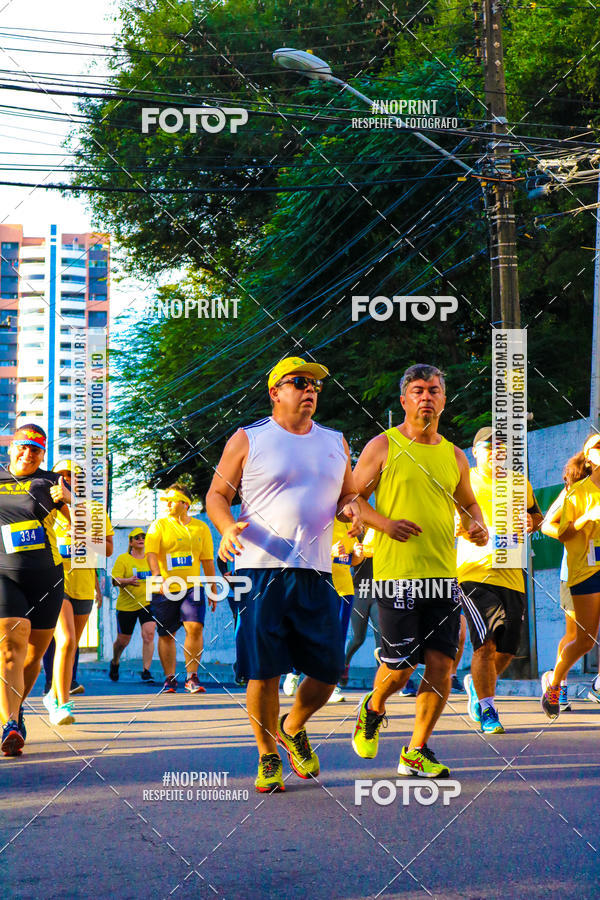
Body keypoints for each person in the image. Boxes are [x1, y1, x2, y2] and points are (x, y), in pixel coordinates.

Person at [206, 356, 364, 793]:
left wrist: (352, 511)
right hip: (259, 569)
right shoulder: (249, 439)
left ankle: (292, 725)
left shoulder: (335, 441)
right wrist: (225, 527)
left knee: (329, 667)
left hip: (316, 569)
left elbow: (348, 493)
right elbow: (217, 493)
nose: (310, 389)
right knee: (264, 669)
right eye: (299, 382)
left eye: (315, 383)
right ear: (275, 392)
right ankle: (268, 755)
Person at [351, 364, 488, 778]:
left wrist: (476, 524)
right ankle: (373, 707)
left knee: (443, 665)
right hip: (396, 575)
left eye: (434, 390)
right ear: (404, 400)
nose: (426, 396)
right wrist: (385, 525)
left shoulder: (454, 455)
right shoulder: (383, 446)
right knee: (400, 667)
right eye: (418, 390)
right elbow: (351, 499)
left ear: (444, 399)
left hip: (443, 576)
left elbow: (468, 503)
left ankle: (416, 749)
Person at [458, 427, 543, 733]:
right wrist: (460, 525)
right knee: (485, 643)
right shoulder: (464, 479)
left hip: (512, 572)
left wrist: (531, 522)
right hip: (474, 571)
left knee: (507, 648)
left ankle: (476, 687)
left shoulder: (520, 482)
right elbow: (447, 517)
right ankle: (488, 707)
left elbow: (537, 516)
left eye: (501, 447)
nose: (496, 451)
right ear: (475, 451)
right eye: (489, 447)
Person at [0, 424, 70, 755]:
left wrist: (70, 501)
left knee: (34, 656)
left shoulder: (52, 482)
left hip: (47, 577)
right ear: (11, 448)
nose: (28, 454)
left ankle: (14, 707)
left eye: (36, 450)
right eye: (23, 447)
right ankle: (10, 723)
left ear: (43, 454)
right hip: (5, 575)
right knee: (13, 643)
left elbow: (86, 536)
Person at [44, 459, 114, 725]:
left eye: (72, 476)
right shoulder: (44, 508)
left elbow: (107, 549)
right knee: (67, 640)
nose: (66, 479)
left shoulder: (94, 511)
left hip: (83, 584)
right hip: (54, 582)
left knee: (70, 646)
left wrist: (81, 527)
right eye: (61, 475)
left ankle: (52, 693)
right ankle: (62, 704)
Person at [540, 433, 600, 718]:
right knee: (579, 636)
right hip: (577, 570)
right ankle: (556, 682)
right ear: (587, 457)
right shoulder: (575, 492)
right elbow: (548, 526)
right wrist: (580, 525)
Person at [145, 483, 216, 694]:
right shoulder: (159, 525)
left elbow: (207, 561)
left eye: (171, 500)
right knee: (166, 633)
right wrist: (157, 577)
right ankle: (169, 678)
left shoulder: (201, 528)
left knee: (194, 627)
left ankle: (191, 677)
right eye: (164, 501)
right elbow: (151, 554)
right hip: (165, 587)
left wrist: (212, 587)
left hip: (192, 586)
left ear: (185, 504)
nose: (166, 504)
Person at [282, 520, 363, 703]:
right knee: (310, 635)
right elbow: (302, 554)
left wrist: (358, 555)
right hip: (319, 586)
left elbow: (351, 561)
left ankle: (331, 684)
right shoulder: (317, 521)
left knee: (338, 639)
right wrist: (329, 553)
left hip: (344, 589)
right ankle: (294, 672)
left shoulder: (350, 526)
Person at [109, 528, 156, 683]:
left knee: (149, 634)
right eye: (137, 537)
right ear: (131, 542)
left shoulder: (151, 558)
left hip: (147, 603)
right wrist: (127, 581)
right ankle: (115, 661)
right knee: (123, 641)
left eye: (143, 537)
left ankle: (146, 671)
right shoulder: (123, 559)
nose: (141, 539)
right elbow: (114, 580)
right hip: (126, 606)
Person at [340, 529, 379, 688]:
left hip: (379, 590)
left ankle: (381, 679)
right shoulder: (356, 534)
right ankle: (345, 663)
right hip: (359, 590)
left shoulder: (383, 532)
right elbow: (346, 560)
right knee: (358, 638)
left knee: (382, 639)